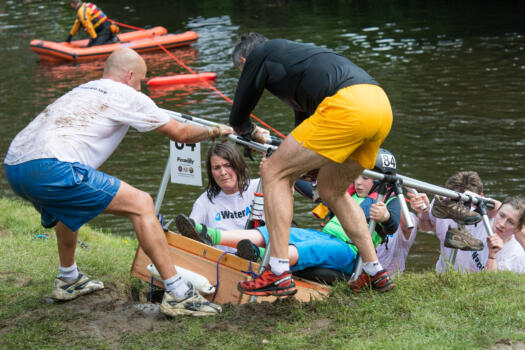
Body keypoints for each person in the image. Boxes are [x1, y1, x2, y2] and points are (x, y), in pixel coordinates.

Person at [3, 48, 232, 317]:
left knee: (69, 207)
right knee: (141, 204)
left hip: (16, 165)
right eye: (141, 82)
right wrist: (216, 131)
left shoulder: (84, 89)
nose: (141, 87)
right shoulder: (128, 95)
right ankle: (179, 294)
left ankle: (69, 278)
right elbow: (180, 132)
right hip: (52, 167)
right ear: (130, 75)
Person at [229, 33, 395, 296]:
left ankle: (278, 271)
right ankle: (374, 271)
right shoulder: (296, 57)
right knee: (332, 190)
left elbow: (238, 116)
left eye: (243, 70)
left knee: (274, 172)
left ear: (244, 60)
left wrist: (247, 132)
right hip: (379, 106)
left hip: (347, 106)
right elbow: (305, 127)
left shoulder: (260, 55)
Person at [175, 169, 400, 284]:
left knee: (312, 250)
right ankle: (211, 235)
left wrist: (385, 215)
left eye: (365, 178)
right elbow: (312, 190)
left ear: (379, 182)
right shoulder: (345, 194)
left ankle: (260, 255)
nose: (358, 182)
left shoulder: (387, 200)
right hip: (323, 235)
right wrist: (285, 172)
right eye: (356, 177)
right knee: (284, 232)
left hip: (349, 252)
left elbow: (394, 225)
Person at [417, 172, 525, 272]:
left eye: (465, 204)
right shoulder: (443, 202)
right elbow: (426, 226)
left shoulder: (484, 217)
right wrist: (424, 212)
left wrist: (492, 255)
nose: (459, 209)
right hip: (445, 274)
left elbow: (508, 212)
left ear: (480, 198)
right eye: (455, 203)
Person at [189, 142, 263, 231]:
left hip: (256, 243)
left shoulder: (259, 186)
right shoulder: (204, 201)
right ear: (211, 172)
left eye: (227, 165)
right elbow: (188, 234)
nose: (223, 173)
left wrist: (263, 150)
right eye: (217, 168)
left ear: (238, 165)